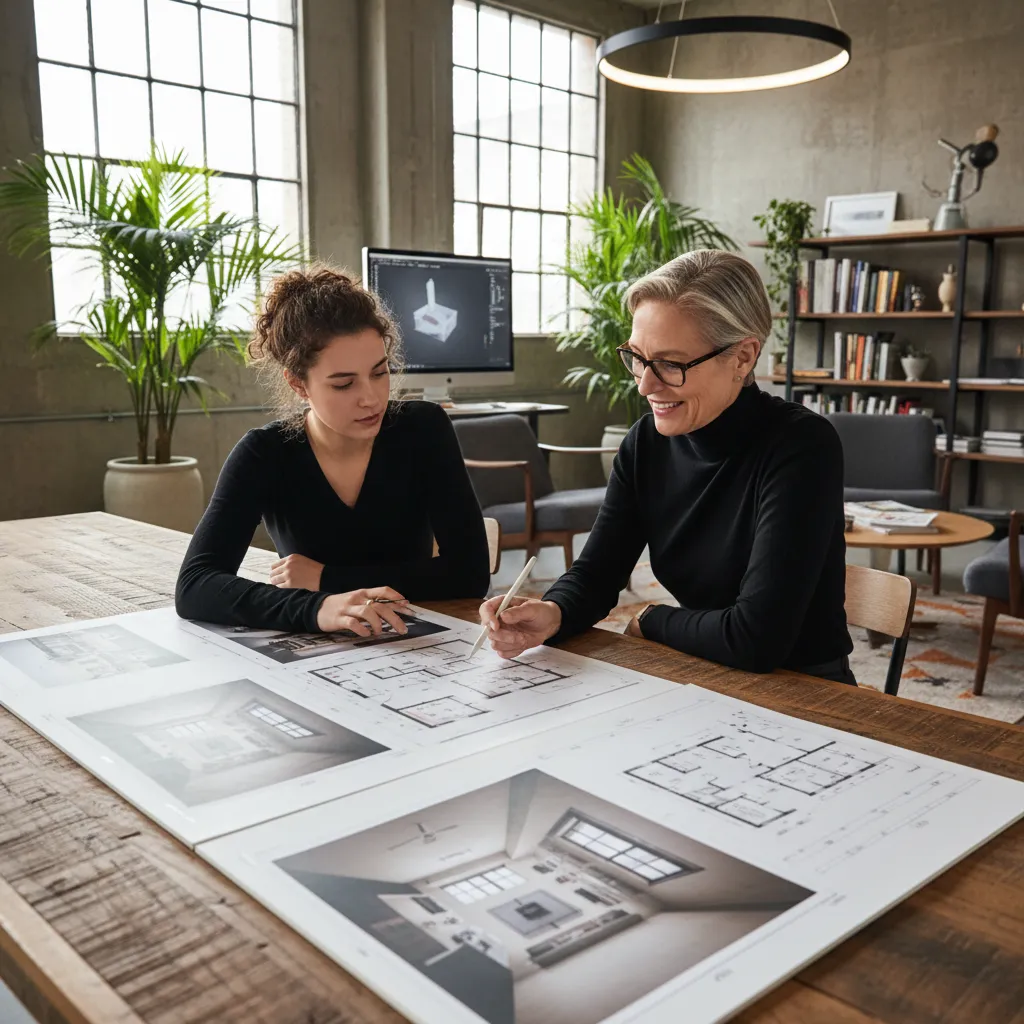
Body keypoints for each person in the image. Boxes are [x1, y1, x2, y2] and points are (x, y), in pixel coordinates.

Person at [480, 249, 855, 684]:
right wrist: (553, 611)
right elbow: (598, 572)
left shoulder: (801, 446)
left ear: (743, 357)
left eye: (671, 364)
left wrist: (652, 619)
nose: (645, 383)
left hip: (804, 691)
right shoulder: (646, 443)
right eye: (638, 357)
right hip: (700, 672)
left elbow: (757, 639)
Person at [176, 263, 490, 636]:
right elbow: (195, 586)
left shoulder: (423, 429)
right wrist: (318, 608)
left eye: (379, 372)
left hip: (417, 642)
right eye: (344, 385)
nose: (371, 399)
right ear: (299, 385)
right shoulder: (264, 454)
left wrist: (326, 579)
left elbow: (469, 574)